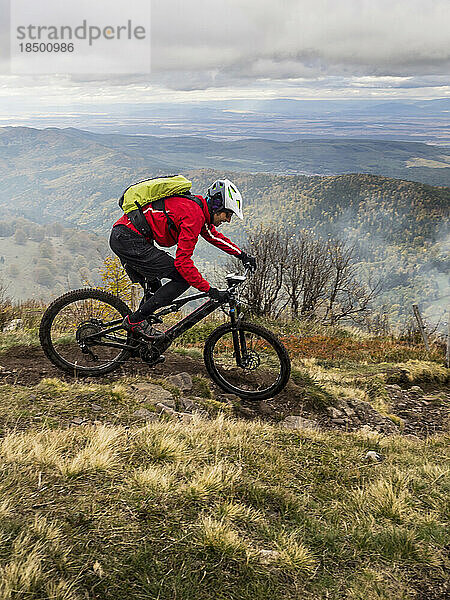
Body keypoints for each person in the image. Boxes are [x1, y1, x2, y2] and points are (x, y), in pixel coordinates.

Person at [109, 178, 256, 339]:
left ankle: (136, 339)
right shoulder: (193, 215)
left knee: (155, 287)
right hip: (128, 239)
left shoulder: (198, 209)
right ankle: (135, 321)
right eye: (227, 214)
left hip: (126, 237)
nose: (228, 220)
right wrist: (210, 290)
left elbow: (214, 236)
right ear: (217, 207)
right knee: (182, 279)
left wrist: (242, 255)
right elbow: (183, 262)